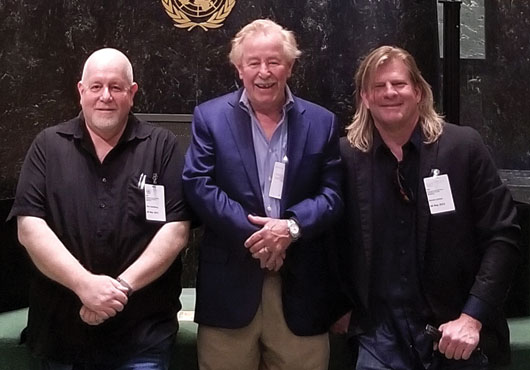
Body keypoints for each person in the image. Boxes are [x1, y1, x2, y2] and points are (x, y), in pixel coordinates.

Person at [337, 45, 521, 370]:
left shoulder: (463, 148)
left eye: (399, 84)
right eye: (379, 87)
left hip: (455, 337)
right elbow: (329, 240)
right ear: (365, 97)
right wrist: (337, 308)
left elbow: (502, 237)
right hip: (380, 342)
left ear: (419, 92)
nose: (389, 93)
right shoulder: (346, 158)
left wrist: (472, 318)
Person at [8, 48, 191, 369]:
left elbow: (175, 231)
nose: (105, 96)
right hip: (62, 335)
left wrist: (116, 290)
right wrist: (84, 285)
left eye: (116, 87)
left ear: (132, 93)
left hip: (142, 337)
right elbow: (29, 227)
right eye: (96, 86)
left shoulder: (162, 146)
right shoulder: (47, 146)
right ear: (81, 91)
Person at [182, 19, 343, 370]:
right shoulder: (209, 118)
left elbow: (332, 195)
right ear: (239, 68)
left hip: (301, 291)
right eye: (253, 63)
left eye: (274, 61)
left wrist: (290, 229)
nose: (264, 72)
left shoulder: (323, 122)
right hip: (229, 291)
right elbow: (198, 184)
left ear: (290, 66)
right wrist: (261, 236)